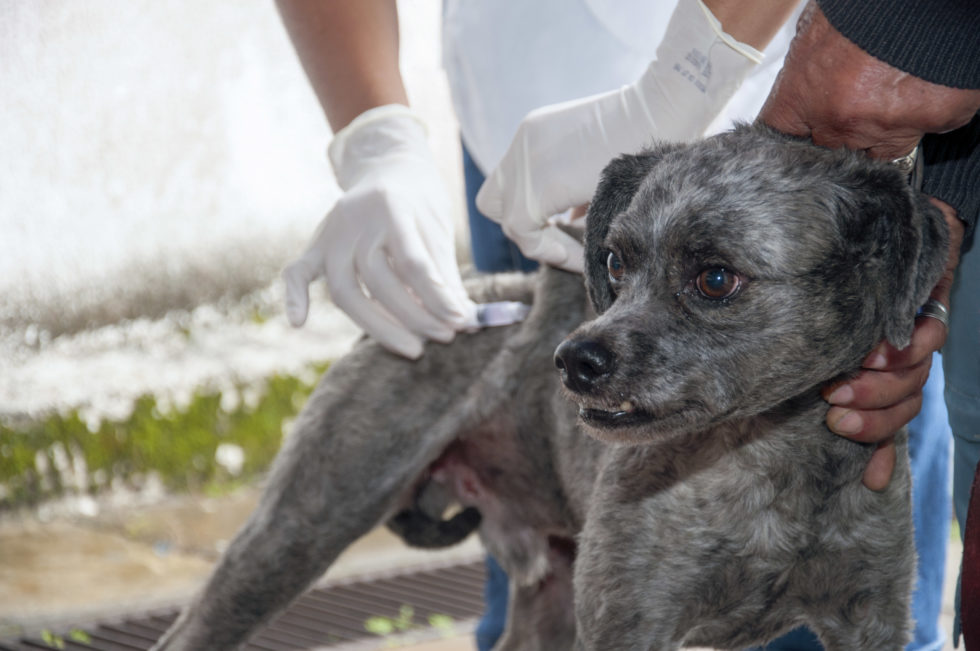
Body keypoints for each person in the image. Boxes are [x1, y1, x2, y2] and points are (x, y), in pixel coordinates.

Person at [274, 1, 965, 648]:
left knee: (852, 524)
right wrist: (375, 134)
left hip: (802, 142)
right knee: (547, 597)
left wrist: (685, 77)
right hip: (524, 161)